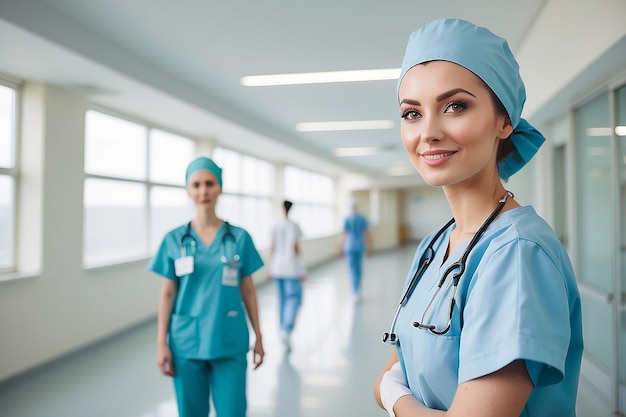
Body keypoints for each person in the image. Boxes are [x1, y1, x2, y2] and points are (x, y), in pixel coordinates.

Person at [373, 18, 583, 417]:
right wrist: (390, 385)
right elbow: (391, 367)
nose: (428, 132)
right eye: (412, 113)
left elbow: (387, 381)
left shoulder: (518, 254)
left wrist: (393, 395)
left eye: (455, 106)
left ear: (504, 121)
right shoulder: (435, 246)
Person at [148, 156, 265, 417]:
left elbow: (248, 290)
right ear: (188, 190)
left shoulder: (239, 238)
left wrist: (259, 335)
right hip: (186, 342)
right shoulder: (175, 239)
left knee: (233, 412)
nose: (203, 191)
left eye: (209, 183)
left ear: (220, 187)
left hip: (229, 339)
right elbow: (167, 293)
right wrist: (161, 343)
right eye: (196, 184)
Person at [268, 200, 306, 351]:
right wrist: (302, 269)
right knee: (294, 299)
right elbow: (295, 248)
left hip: (277, 267)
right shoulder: (294, 226)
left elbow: (272, 248)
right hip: (291, 268)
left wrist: (271, 268)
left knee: (282, 300)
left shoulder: (275, 226)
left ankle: (282, 329)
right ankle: (286, 329)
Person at [340, 199, 372, 301]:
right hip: (359, 246)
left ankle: (354, 292)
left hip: (349, 246)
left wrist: (340, 248)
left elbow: (344, 234)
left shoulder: (347, 219)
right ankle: (357, 291)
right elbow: (366, 234)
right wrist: (369, 248)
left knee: (352, 269)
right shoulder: (362, 218)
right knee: (358, 269)